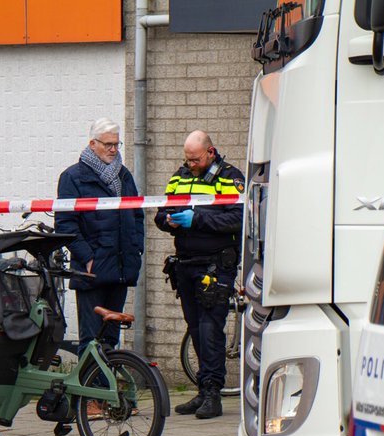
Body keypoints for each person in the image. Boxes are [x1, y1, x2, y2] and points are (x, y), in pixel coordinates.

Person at [154, 130, 245, 420]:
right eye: (187, 159)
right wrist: (168, 221)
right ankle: (203, 390)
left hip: (216, 265)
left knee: (209, 329)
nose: (190, 164)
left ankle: (213, 393)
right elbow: (160, 213)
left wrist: (198, 218)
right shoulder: (180, 175)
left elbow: (239, 218)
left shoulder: (230, 178)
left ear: (210, 152)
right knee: (195, 328)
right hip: (186, 264)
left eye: (195, 159)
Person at [55, 118, 144, 354]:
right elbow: (65, 225)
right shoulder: (73, 177)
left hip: (121, 268)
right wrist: (88, 257)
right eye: (108, 144)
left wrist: (136, 249)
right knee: (91, 339)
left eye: (117, 144)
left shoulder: (124, 176)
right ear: (92, 144)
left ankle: (107, 388)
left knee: (110, 339)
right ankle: (89, 390)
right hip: (91, 271)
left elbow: (136, 216)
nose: (113, 150)